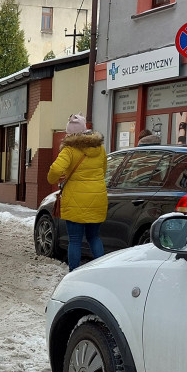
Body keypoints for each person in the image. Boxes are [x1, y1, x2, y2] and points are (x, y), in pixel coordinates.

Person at [47, 114, 107, 272]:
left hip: (76, 201)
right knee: (94, 237)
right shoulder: (99, 148)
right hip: (98, 198)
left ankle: (74, 272)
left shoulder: (69, 150)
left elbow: (55, 169)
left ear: (70, 134)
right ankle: (102, 271)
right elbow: (104, 170)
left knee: (75, 240)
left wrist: (53, 179)